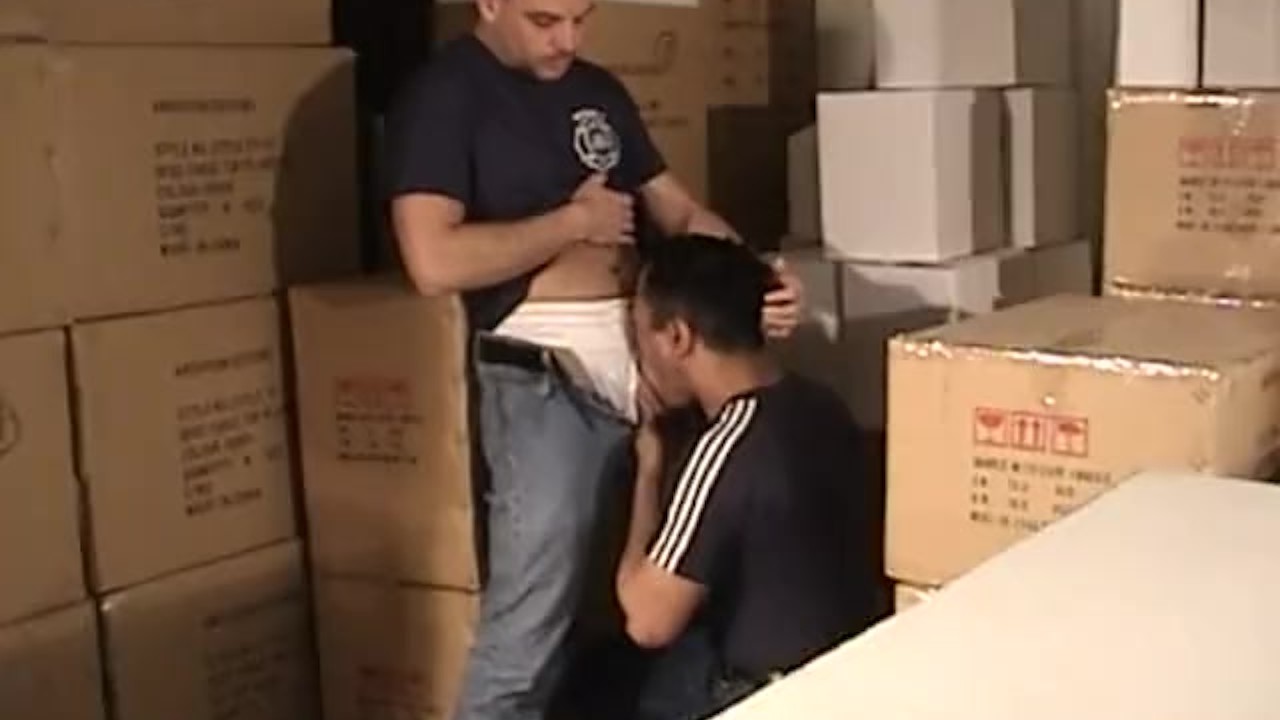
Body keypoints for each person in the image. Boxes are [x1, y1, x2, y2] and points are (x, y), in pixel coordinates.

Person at [383, 1, 805, 719]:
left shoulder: (596, 88)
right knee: (530, 626)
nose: (567, 40)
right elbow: (432, 260)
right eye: (545, 20)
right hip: (549, 383)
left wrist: (753, 279)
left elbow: (678, 212)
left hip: (652, 376)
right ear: (489, 3)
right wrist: (574, 222)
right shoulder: (445, 96)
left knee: (667, 603)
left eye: (581, 18)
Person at [616, 235, 879, 720]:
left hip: (772, 694)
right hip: (845, 670)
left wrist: (649, 471)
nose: (638, 357)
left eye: (639, 336)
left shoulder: (730, 443)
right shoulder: (822, 404)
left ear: (677, 338)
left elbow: (648, 621)